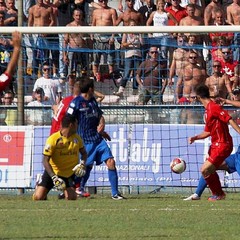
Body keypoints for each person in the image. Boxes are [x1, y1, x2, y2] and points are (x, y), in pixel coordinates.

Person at [67, 76, 125, 200]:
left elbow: (99, 115)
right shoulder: (75, 103)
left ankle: (115, 194)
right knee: (85, 168)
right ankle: (75, 188)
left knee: (111, 162)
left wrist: (102, 125)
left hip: (98, 140)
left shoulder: (92, 100)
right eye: (93, 87)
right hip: (85, 141)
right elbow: (67, 120)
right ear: (90, 89)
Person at [188, 84, 240, 201]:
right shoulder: (207, 111)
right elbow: (207, 132)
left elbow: (228, 118)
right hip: (216, 145)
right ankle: (211, 194)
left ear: (198, 97)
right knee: (209, 170)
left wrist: (239, 131)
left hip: (223, 144)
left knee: (205, 169)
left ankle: (218, 194)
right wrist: (195, 137)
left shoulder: (213, 107)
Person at [33, 114, 88, 201]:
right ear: (71, 125)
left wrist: (82, 164)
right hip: (53, 172)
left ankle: (64, 193)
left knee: (72, 199)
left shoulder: (77, 138)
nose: (78, 126)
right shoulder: (53, 139)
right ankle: (40, 182)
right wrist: (54, 177)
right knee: (38, 198)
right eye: (76, 123)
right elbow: (45, 160)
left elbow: (84, 154)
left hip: (69, 174)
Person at [113, 19, 143, 97]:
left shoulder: (138, 33)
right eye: (131, 25)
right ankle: (121, 90)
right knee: (126, 73)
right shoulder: (126, 33)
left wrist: (140, 36)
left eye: (134, 25)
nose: (133, 26)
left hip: (137, 55)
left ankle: (135, 91)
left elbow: (142, 44)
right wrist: (131, 42)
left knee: (136, 74)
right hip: (129, 55)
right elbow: (122, 45)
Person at [91, 0, 118, 81]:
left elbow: (115, 25)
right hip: (97, 38)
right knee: (95, 59)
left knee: (110, 59)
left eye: (104, 0)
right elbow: (93, 24)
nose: (103, 2)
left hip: (108, 38)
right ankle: (95, 76)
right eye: (101, 0)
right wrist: (91, 35)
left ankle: (111, 76)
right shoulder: (95, 12)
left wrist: (113, 36)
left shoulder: (112, 11)